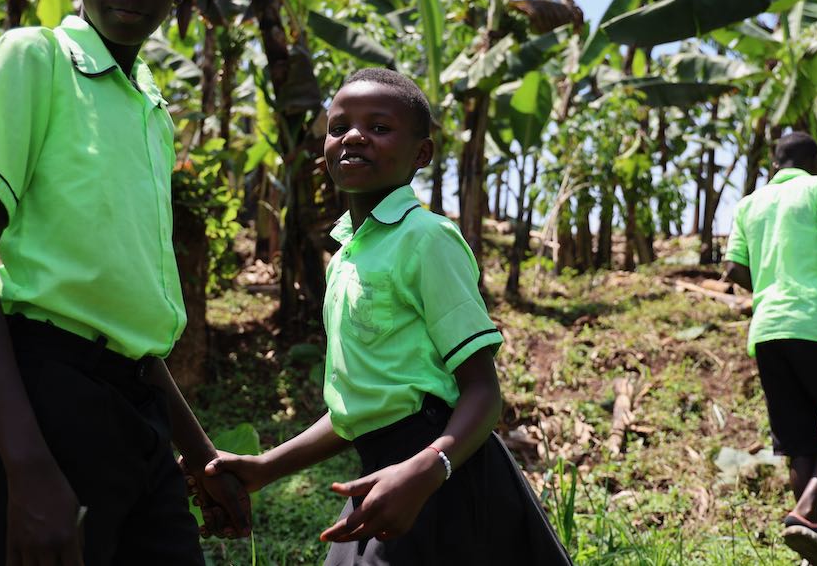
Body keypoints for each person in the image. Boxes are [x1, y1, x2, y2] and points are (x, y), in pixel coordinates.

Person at [0, 0, 250, 565]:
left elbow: (119, 318)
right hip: (35, 398)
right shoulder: (34, 59)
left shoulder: (150, 111)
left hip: (134, 413)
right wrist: (27, 466)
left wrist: (197, 454)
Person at [203, 68, 572, 565]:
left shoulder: (427, 239)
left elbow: (483, 392)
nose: (354, 136)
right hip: (382, 478)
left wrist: (426, 470)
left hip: (442, 474)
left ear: (421, 155)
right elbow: (360, 410)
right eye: (339, 127)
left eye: (379, 127)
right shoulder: (346, 258)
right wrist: (267, 467)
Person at [722, 132, 817, 566]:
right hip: (814, 324)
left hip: (767, 331)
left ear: (775, 162)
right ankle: (805, 509)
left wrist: (765, 287)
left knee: (798, 440)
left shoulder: (749, 204)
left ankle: (809, 535)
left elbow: (732, 268)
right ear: (814, 160)